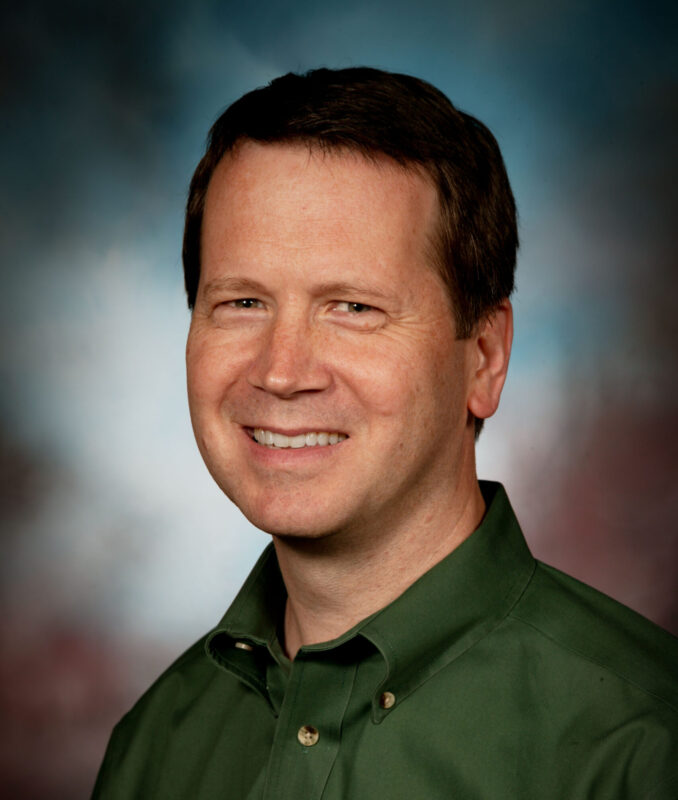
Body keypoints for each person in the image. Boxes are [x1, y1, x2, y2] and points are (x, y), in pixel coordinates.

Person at [91, 67, 678, 799]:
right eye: (242, 301)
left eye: (354, 308)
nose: (281, 371)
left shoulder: (644, 745)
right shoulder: (155, 747)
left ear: (485, 359)